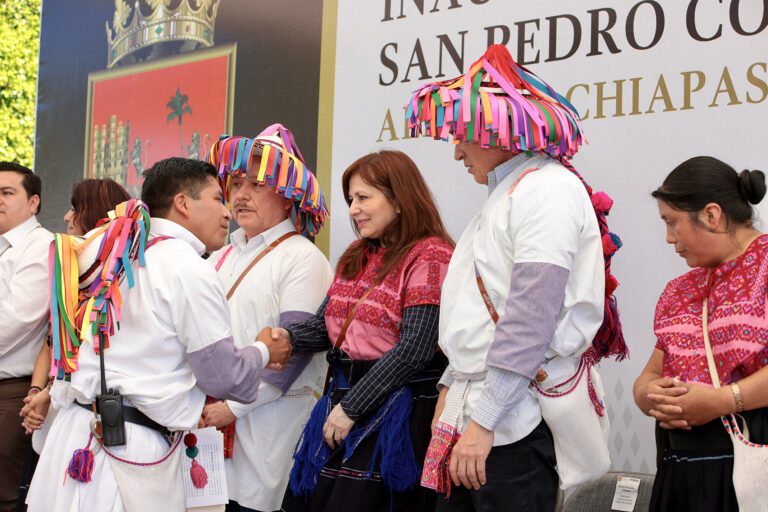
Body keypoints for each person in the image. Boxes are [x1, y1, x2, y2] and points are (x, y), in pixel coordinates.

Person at [406, 44, 625, 511]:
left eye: (463, 132)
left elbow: (530, 317)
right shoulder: (510, 194)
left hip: (510, 421)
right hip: (483, 415)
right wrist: (450, 388)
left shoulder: (548, 189)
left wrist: (483, 420)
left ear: (496, 125)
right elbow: (480, 319)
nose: (456, 149)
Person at [25, 157, 292, 512]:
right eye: (217, 199)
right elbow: (223, 377)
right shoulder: (187, 267)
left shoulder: (105, 250)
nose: (227, 213)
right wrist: (263, 351)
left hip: (73, 438)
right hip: (127, 451)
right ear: (183, 203)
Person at [279, 150, 454, 512]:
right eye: (350, 200)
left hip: (397, 410)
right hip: (345, 400)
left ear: (400, 199)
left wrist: (352, 408)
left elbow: (416, 348)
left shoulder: (430, 255)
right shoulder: (357, 254)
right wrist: (286, 339)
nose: (353, 209)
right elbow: (327, 328)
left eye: (363, 197)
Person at [201, 125, 333, 512]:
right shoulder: (221, 257)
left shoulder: (302, 257)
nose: (240, 194)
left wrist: (232, 408)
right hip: (213, 430)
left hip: (270, 427)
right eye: (237, 182)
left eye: (257, 184)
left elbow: (295, 349)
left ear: (288, 193)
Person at [634, 156, 768, 511]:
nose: (668, 238)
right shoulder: (680, 289)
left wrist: (721, 401)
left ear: (711, 215)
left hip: (751, 467)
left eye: (672, 222)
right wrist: (650, 395)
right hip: (681, 471)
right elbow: (650, 374)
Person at [21, 178, 131, 436]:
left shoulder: (116, 285)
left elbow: (84, 357)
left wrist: (47, 395)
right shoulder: (70, 276)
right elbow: (50, 343)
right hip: (54, 411)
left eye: (75, 208)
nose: (67, 216)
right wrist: (35, 394)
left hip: (87, 416)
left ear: (95, 212)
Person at [0, 162, 53, 512]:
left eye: (7, 193)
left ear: (33, 202)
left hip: (13, 393)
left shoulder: (42, 245)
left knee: (5, 495)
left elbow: (15, 319)